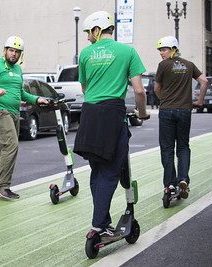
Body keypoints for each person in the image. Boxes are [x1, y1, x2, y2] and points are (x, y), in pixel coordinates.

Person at [73, 11, 149, 238]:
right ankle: (98, 225)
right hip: (111, 113)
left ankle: (103, 222)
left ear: (97, 29)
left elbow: (85, 89)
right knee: (111, 171)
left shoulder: (86, 54)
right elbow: (138, 90)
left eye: (88, 32)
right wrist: (142, 113)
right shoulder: (127, 51)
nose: (87, 38)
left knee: (97, 170)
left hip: (89, 114)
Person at [0, 36, 48, 200]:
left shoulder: (18, 70)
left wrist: (37, 99)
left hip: (14, 112)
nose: (13, 54)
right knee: (12, 145)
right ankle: (3, 186)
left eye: (17, 52)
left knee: (4, 148)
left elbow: (21, 93)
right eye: (11, 50)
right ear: (5, 50)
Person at [154, 36, 208, 199]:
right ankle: (183, 179)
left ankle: (170, 184)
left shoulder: (163, 65)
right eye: (160, 50)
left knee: (167, 148)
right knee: (183, 146)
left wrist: (163, 98)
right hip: (185, 110)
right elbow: (204, 81)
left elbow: (157, 87)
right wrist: (198, 101)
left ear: (173, 49)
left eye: (163, 49)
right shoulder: (189, 65)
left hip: (167, 111)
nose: (161, 53)